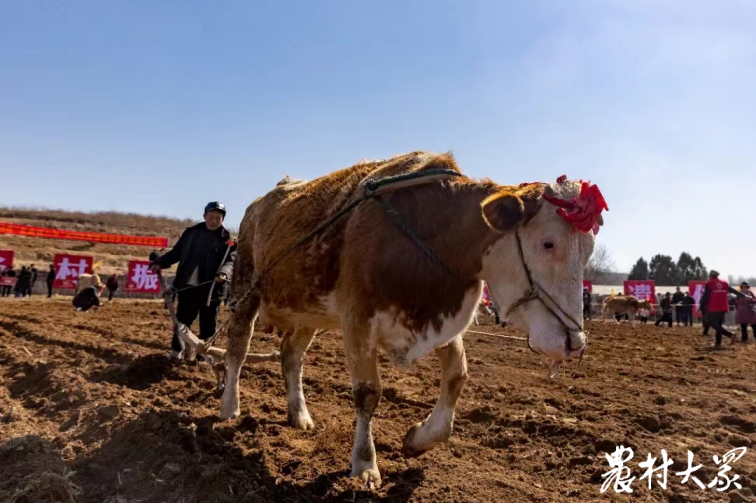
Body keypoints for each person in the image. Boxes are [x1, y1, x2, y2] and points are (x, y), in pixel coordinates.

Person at [150, 202, 236, 361]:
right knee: (182, 321)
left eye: (218, 218)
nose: (214, 221)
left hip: (211, 290)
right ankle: (176, 352)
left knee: (208, 325)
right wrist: (159, 262)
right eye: (211, 217)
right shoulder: (192, 233)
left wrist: (224, 273)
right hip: (188, 287)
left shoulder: (228, 240)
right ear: (204, 217)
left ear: (223, 219)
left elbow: (231, 261)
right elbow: (176, 253)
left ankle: (204, 357)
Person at [699, 270, 745, 347]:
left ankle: (730, 335)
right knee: (718, 325)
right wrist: (740, 294)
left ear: (710, 275)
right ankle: (718, 343)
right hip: (723, 307)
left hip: (713, 307)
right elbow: (732, 290)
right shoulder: (724, 283)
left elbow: (706, 296)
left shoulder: (709, 283)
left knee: (709, 322)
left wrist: (702, 306)